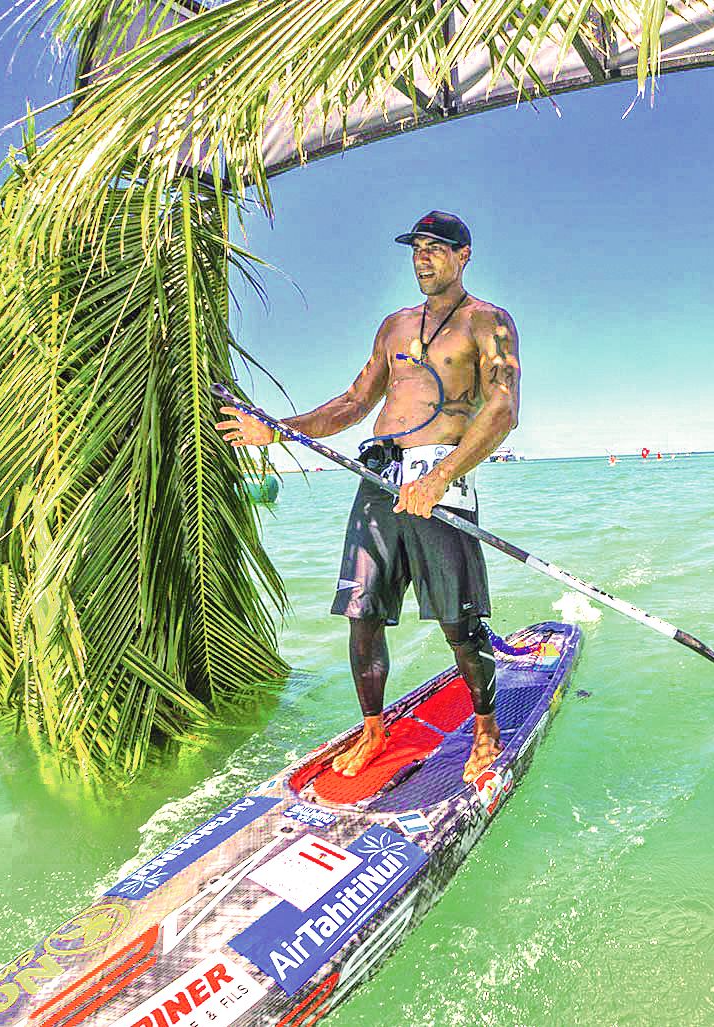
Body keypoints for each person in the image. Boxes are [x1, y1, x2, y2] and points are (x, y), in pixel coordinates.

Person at [216, 211, 521, 784]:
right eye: (415, 249)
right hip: (379, 475)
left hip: (441, 478)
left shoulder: (489, 323)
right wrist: (278, 427)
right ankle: (374, 728)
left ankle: (485, 726)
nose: (422, 258)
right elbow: (355, 402)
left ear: (464, 255)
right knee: (362, 613)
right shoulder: (394, 326)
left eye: (436, 248)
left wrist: (439, 478)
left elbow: (503, 409)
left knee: (460, 622)